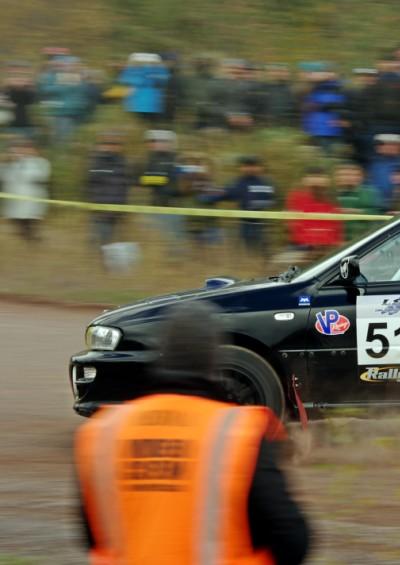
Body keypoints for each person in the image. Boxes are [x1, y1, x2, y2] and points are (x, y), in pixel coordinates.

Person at [75, 301, 310, 565]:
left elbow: (91, 533)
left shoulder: (102, 433)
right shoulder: (240, 433)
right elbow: (292, 540)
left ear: (159, 357)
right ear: (214, 362)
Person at [207, 156, 276, 255]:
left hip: (266, 225)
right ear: (241, 168)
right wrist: (208, 198)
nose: (250, 168)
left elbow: (275, 200)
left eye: (253, 166)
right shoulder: (239, 183)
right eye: (247, 166)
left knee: (263, 254)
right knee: (251, 254)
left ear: (260, 167)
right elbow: (225, 193)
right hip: (247, 225)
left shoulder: (268, 182)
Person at [86, 132, 130, 249]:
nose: (110, 146)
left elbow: (124, 186)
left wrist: (123, 209)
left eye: (114, 144)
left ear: (120, 147)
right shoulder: (96, 161)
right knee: (98, 242)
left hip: (115, 210)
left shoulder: (123, 162)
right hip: (99, 208)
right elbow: (90, 183)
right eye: (106, 144)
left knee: (108, 243)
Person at [2, 137, 51, 242]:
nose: (26, 151)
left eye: (29, 149)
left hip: (33, 198)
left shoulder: (41, 162)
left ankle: (33, 241)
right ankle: (30, 240)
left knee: (30, 222)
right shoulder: (16, 162)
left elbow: (41, 177)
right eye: (25, 149)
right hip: (16, 200)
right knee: (18, 222)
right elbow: (6, 177)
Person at [285, 166, 343, 253]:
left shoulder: (333, 199)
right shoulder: (296, 197)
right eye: (312, 176)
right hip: (302, 246)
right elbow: (294, 226)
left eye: (320, 177)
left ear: (327, 181)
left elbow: (337, 227)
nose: (316, 180)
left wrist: (331, 244)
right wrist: (312, 244)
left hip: (328, 246)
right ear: (304, 180)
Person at [333, 162, 380, 240]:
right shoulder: (332, 195)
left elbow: (376, 214)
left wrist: (357, 212)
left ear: (361, 177)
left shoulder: (369, 193)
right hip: (337, 240)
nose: (348, 178)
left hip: (362, 239)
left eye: (353, 175)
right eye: (344, 175)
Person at [367, 133, 400, 211]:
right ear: (378, 148)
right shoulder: (373, 163)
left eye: (394, 144)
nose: (389, 147)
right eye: (385, 144)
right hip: (376, 206)